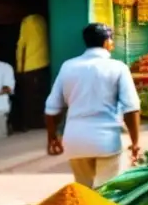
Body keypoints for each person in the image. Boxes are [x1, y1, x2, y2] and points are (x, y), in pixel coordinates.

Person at [44, 24, 141, 189]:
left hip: (75, 141)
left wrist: (52, 137)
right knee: (108, 195)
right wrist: (135, 141)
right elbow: (131, 108)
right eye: (111, 40)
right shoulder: (118, 67)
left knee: (84, 194)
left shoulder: (68, 66)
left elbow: (52, 108)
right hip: (107, 142)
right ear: (106, 42)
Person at [15, 11, 50, 132]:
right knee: (41, 96)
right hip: (45, 62)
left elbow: (22, 46)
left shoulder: (28, 21)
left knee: (29, 97)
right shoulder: (43, 19)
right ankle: (39, 121)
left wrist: (20, 69)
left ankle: (32, 123)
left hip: (30, 66)